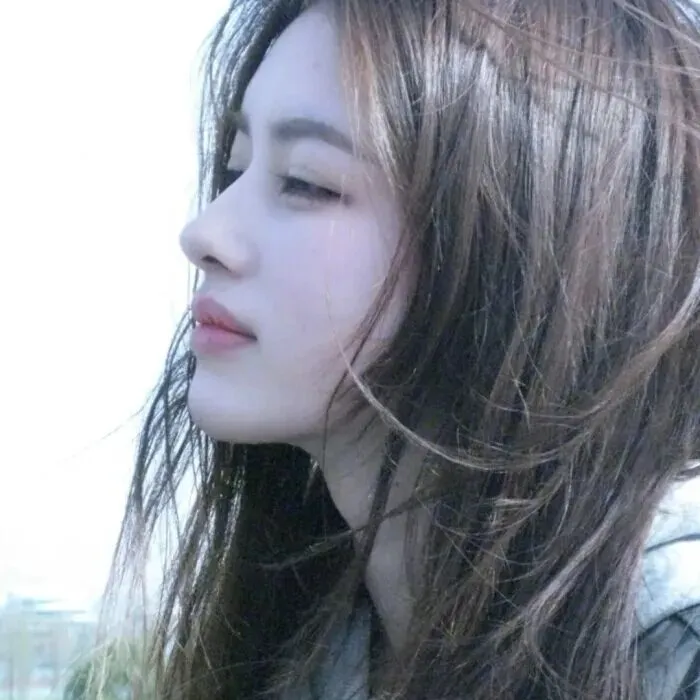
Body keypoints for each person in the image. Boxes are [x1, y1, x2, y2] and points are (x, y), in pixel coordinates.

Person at [106, 1, 700, 698]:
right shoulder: (301, 647)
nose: (205, 232)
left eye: (306, 182)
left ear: (520, 248)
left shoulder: (674, 648)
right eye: (235, 169)